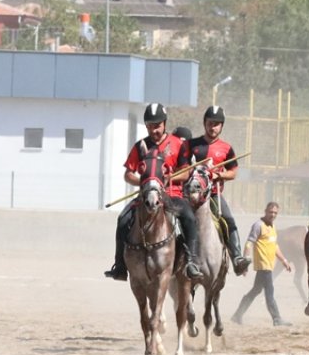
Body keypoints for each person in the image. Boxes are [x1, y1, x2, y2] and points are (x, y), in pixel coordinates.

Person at [105, 103, 201, 281]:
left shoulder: (178, 144)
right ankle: (120, 265)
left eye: (157, 126)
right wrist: (145, 181)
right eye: (149, 126)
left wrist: (165, 179)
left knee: (188, 217)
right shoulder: (140, 146)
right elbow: (128, 175)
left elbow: (186, 172)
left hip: (172, 194)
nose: (153, 130)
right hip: (146, 195)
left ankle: (192, 261)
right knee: (123, 218)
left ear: (164, 123)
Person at [182, 106, 251, 275]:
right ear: (204, 123)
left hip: (212, 195)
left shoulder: (227, 149)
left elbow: (233, 172)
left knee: (229, 221)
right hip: (189, 195)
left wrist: (218, 174)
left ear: (221, 126)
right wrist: (198, 169)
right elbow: (183, 168)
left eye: (217, 124)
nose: (213, 127)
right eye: (210, 123)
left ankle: (236, 258)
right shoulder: (192, 145)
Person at [232, 202, 294, 326]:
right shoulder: (258, 225)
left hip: (269, 265)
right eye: (271, 212)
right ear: (265, 211)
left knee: (255, 291)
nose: (273, 214)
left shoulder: (272, 227)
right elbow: (249, 243)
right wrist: (244, 263)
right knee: (269, 293)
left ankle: (237, 315)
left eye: (275, 212)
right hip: (263, 265)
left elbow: (275, 246)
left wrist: (284, 261)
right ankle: (277, 319)